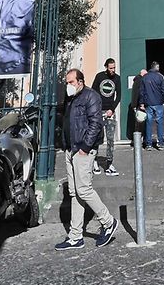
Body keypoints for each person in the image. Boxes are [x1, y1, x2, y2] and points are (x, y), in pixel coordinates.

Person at [54, 69, 117, 251]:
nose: (69, 86)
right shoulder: (71, 98)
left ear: (80, 81)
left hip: (82, 150)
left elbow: (96, 123)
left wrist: (85, 147)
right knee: (74, 192)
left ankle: (108, 221)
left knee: (84, 189)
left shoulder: (91, 97)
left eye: (71, 82)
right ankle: (75, 237)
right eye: (67, 82)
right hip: (70, 149)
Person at [91, 58, 121, 176]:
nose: (113, 70)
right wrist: (95, 108)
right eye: (110, 68)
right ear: (106, 67)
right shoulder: (99, 77)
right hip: (98, 111)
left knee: (110, 139)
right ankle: (94, 161)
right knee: (97, 137)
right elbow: (93, 92)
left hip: (110, 112)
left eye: (114, 68)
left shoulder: (117, 78)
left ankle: (109, 163)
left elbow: (118, 96)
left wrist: (112, 109)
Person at [137, 62, 164, 150]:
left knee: (149, 123)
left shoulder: (145, 77)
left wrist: (142, 103)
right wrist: (163, 100)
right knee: (159, 123)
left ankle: (148, 144)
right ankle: (161, 143)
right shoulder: (160, 77)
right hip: (158, 103)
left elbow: (141, 92)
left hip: (148, 104)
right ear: (157, 67)